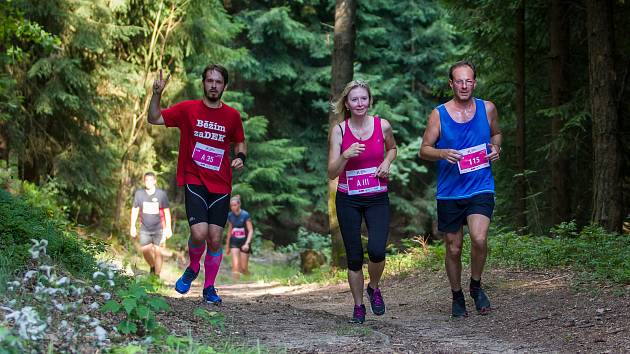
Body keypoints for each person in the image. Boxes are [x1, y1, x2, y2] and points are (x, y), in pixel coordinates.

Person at [147, 64, 247, 305]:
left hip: (221, 185)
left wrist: (240, 157)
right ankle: (193, 267)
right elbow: (154, 117)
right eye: (209, 81)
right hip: (195, 179)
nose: (213, 85)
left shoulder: (232, 116)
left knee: (214, 238)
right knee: (199, 233)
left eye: (218, 82)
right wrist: (157, 93)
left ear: (224, 86)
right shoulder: (188, 109)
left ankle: (209, 288)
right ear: (203, 83)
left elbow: (240, 142)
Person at [419, 60, 502, 317]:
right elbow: (424, 150)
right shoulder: (439, 114)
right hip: (450, 191)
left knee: (479, 238)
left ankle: (475, 286)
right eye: (459, 81)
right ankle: (457, 295)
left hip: (480, 186)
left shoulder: (487, 108)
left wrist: (496, 148)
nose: (464, 86)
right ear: (451, 84)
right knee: (454, 248)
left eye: (469, 81)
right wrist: (442, 152)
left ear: (474, 82)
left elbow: (496, 134)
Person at [327, 80, 397, 324]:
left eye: (363, 99)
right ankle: (358, 307)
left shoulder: (382, 125)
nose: (359, 103)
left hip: (377, 196)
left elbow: (392, 149)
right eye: (354, 99)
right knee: (354, 256)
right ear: (347, 103)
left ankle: (374, 287)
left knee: (377, 250)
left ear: (369, 101)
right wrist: (345, 155)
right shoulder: (340, 130)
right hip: (349, 199)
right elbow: (331, 172)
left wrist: (387, 163)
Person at [130, 172, 172, 277]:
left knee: (158, 251)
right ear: (144, 181)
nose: (148, 182)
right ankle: (153, 266)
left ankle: (156, 276)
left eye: (150, 180)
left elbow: (167, 211)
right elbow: (135, 209)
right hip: (145, 228)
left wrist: (168, 228)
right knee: (145, 250)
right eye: (146, 180)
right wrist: (132, 226)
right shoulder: (139, 194)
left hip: (159, 228)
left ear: (155, 181)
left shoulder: (161, 194)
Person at [225, 195, 254, 280]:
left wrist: (247, 244)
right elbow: (230, 231)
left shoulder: (245, 215)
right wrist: (227, 246)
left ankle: (249, 279)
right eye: (231, 205)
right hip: (234, 242)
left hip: (244, 242)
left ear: (239, 204)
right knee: (235, 266)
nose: (233, 207)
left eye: (235, 205)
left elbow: (251, 230)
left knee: (243, 269)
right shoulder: (230, 216)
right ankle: (235, 286)